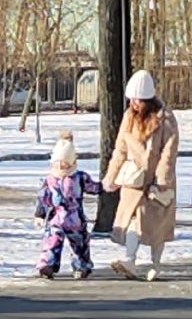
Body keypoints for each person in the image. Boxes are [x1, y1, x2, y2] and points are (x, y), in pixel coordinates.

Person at [102, 69, 180, 281]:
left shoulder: (166, 119)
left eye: (137, 99)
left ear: (147, 99)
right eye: (131, 99)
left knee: (156, 225)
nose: (133, 103)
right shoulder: (129, 118)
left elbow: (168, 153)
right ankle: (130, 259)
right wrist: (111, 176)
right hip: (134, 179)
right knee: (133, 219)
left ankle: (155, 264)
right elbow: (120, 149)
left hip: (157, 181)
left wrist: (162, 180)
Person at [34, 131, 102, 279]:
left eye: (64, 163)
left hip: (75, 218)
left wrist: (105, 187)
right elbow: (44, 197)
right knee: (51, 242)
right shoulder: (50, 179)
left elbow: (93, 188)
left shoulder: (79, 177)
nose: (61, 166)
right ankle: (47, 265)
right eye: (58, 163)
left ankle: (81, 266)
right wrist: (40, 214)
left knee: (79, 244)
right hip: (55, 218)